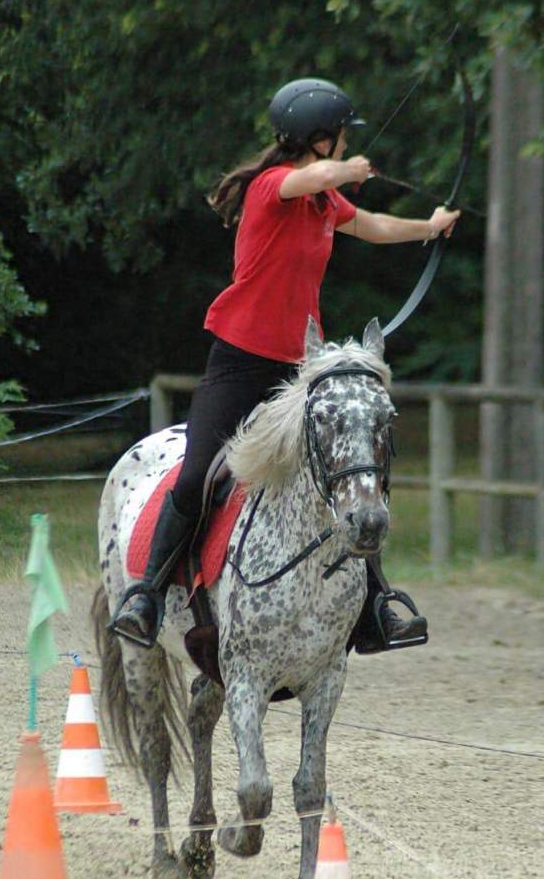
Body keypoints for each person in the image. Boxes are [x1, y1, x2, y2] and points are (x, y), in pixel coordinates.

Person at [109, 77, 460, 649]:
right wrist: (344, 171)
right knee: (196, 475)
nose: (347, 144)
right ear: (319, 138)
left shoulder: (324, 200)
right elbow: (308, 178)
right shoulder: (273, 186)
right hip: (239, 362)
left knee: (346, 472)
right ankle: (146, 596)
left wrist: (429, 227)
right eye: (342, 135)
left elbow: (370, 225)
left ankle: (376, 604)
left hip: (298, 371)